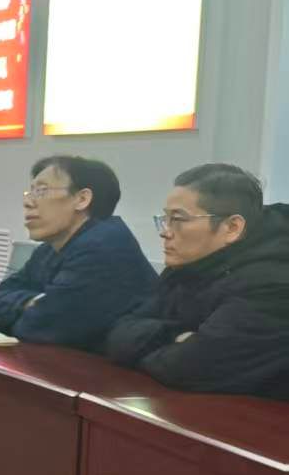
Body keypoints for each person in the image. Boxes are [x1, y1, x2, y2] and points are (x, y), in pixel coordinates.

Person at [105, 163, 289, 397]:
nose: (165, 231)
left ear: (232, 227)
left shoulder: (273, 284)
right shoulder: (186, 266)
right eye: (165, 218)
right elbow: (118, 335)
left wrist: (153, 344)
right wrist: (176, 335)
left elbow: (187, 368)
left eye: (178, 219)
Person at [0, 156, 157, 349]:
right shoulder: (51, 247)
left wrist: (26, 307)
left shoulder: (104, 247)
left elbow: (38, 328)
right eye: (30, 192)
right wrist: (30, 302)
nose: (28, 202)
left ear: (82, 199)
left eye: (41, 191)